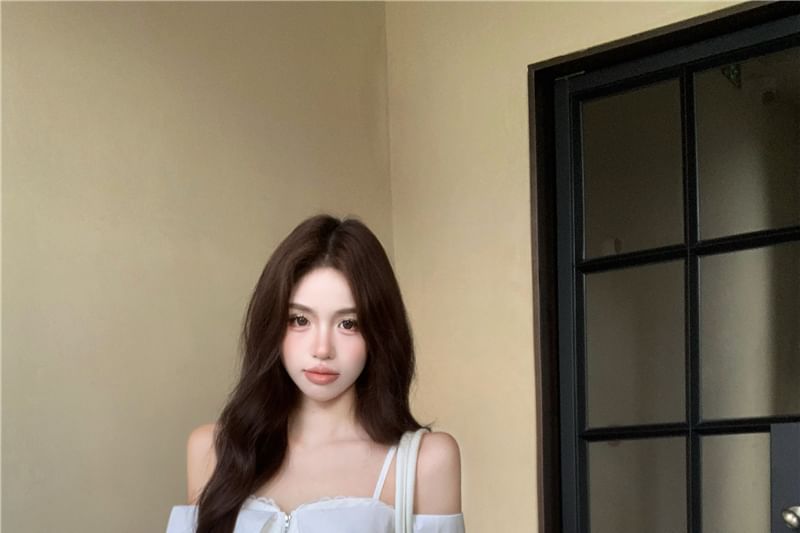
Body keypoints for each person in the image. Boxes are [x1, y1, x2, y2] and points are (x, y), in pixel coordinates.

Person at [165, 214, 464, 533]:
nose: (322, 349)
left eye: (348, 324)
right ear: (273, 324)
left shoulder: (425, 462)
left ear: (379, 332)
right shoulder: (212, 451)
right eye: (300, 320)